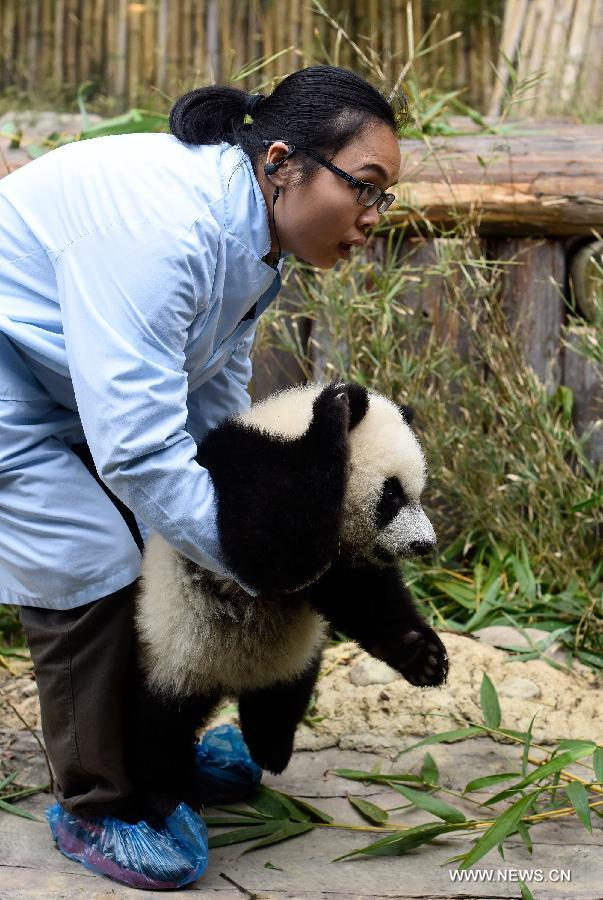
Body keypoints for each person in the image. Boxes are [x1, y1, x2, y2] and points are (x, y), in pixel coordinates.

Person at [0, 64, 404, 887]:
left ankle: (161, 758)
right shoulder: (164, 228)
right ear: (284, 160)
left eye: (382, 198)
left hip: (60, 380)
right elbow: (140, 452)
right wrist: (250, 555)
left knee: (172, 550)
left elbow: (208, 389)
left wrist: (232, 509)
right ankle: (99, 805)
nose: (371, 219)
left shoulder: (249, 230)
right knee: (91, 559)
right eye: (364, 188)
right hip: (12, 389)